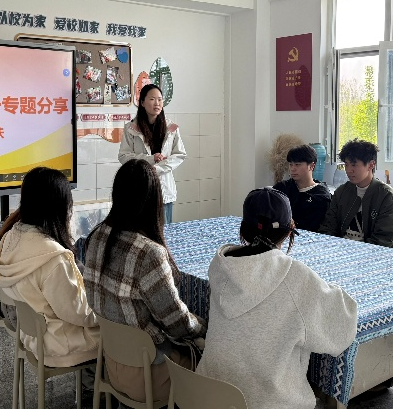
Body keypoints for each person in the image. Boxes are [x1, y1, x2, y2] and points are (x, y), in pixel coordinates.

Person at [196, 187, 357, 409]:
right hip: (266, 402)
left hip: (210, 396)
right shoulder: (295, 277)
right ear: (290, 230)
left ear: (244, 228)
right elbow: (341, 330)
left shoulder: (220, 266)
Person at [83, 159, 205, 403]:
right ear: (154, 201)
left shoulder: (97, 236)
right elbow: (177, 324)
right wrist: (204, 325)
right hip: (150, 375)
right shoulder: (148, 253)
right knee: (216, 357)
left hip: (111, 365)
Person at [0, 167, 99, 370]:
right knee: (121, 332)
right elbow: (79, 313)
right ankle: (97, 384)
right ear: (59, 207)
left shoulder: (11, 235)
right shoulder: (53, 258)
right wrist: (107, 312)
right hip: (60, 345)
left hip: (32, 335)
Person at [119, 84, 185, 224]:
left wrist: (157, 168)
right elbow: (124, 156)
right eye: (152, 99)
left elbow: (179, 154)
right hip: (140, 187)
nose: (157, 103)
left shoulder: (171, 128)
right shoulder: (131, 128)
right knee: (140, 230)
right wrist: (150, 159)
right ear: (142, 102)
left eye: (160, 99)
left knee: (165, 230)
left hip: (164, 189)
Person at [319, 139, 393, 248]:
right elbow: (328, 228)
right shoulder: (341, 192)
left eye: (354, 165)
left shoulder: (387, 197)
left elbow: (383, 240)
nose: (349, 170)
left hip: (372, 254)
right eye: (346, 165)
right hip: (339, 250)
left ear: (371, 165)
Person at [273, 144, 332, 232]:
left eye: (297, 165)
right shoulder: (281, 188)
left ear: (311, 166)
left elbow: (314, 227)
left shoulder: (321, 196)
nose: (292, 169)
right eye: (291, 164)